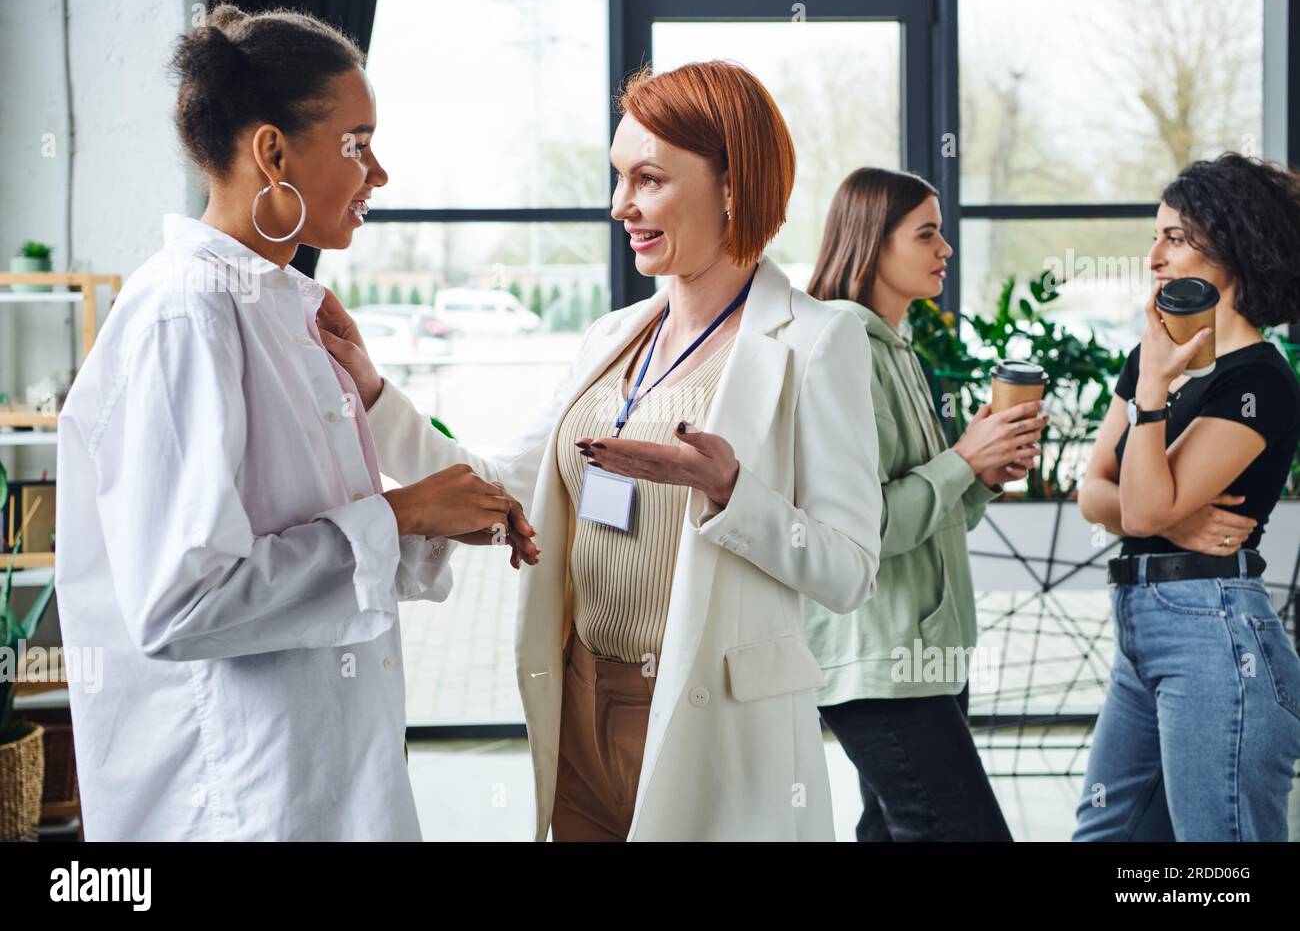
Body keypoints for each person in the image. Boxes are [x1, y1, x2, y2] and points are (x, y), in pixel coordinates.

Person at [319, 60, 883, 840]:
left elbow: (850, 569)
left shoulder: (820, 341)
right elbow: (498, 486)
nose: (622, 205)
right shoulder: (611, 338)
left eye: (648, 179)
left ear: (732, 186)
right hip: (580, 706)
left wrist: (732, 493)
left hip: (712, 725)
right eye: (619, 178)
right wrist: (374, 394)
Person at [54, 4, 535, 841]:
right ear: (272, 151)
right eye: (357, 143)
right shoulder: (185, 314)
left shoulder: (286, 310)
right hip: (239, 798)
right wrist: (402, 512)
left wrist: (437, 518)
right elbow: (183, 603)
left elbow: (317, 545)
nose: (377, 173)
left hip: (320, 775)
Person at [801, 168, 1042, 840]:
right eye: (927, 233)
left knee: (892, 832)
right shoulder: (841, 348)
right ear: (872, 243)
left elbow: (938, 517)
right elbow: (866, 530)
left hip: (926, 657)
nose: (946, 250)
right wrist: (964, 457)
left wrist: (984, 473)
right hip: (879, 663)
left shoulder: (899, 351)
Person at [1074, 152, 1300, 841]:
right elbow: (1094, 492)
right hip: (1142, 629)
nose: (1153, 258)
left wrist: (1151, 399)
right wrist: (1174, 517)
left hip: (1214, 634)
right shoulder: (1148, 357)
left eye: (1175, 237)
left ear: (1231, 243)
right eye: (1156, 236)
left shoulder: (1259, 382)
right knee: (1106, 838)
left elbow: (1136, 509)